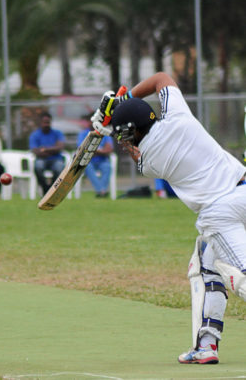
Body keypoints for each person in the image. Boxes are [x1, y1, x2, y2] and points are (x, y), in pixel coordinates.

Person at [92, 72, 246, 365]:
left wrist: (107, 123)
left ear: (133, 131)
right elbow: (161, 77)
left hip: (220, 212)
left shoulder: (149, 160)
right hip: (243, 189)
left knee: (240, 275)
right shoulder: (178, 115)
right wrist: (127, 99)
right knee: (205, 264)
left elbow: (134, 151)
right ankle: (206, 345)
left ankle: (207, 345)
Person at [77, 114, 114, 197]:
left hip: (102, 160)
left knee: (107, 167)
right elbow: (82, 149)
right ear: (89, 121)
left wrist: (93, 150)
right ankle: (101, 191)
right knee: (87, 167)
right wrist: (101, 150)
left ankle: (100, 192)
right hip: (88, 161)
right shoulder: (83, 134)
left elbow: (109, 149)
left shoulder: (105, 132)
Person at [29, 112, 66, 195]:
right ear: (40, 122)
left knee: (59, 168)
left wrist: (44, 149)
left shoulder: (57, 133)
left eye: (48, 122)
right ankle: (45, 188)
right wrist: (52, 150)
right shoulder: (35, 135)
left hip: (56, 159)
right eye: (44, 122)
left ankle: (51, 189)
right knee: (38, 167)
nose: (46, 124)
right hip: (42, 159)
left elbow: (60, 147)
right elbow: (35, 151)